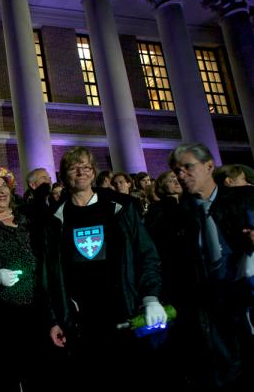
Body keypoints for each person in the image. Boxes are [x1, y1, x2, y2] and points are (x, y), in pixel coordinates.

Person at [151, 143, 254, 389]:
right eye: (176, 170)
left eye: (187, 167)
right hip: (208, 309)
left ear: (209, 166)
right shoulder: (172, 216)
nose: (180, 174)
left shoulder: (252, 199)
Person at [47, 147, 166, 390]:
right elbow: (49, 275)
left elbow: (146, 254)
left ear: (94, 173)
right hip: (82, 319)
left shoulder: (120, 207)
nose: (81, 172)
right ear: (64, 176)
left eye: (86, 167)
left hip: (124, 308)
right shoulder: (55, 217)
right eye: (73, 168)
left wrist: (151, 296)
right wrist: (55, 318)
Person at [0, 167, 60, 392]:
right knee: (1, 378)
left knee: (39, 376)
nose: (1, 191)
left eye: (4, 186)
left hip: (34, 310)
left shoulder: (28, 219)